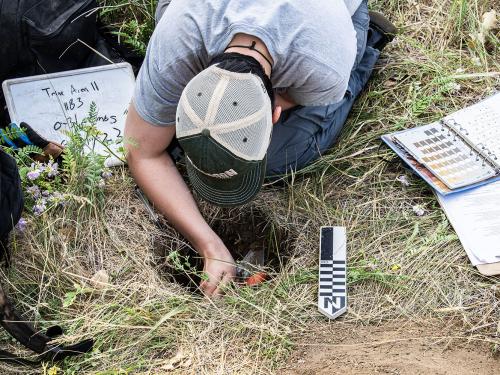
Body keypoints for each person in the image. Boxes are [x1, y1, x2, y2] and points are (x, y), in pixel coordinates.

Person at [124, 0, 396, 296]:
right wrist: (209, 245)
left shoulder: (323, 63)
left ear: (274, 114)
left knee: (281, 156)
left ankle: (366, 44)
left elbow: (293, 97)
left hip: (336, 16)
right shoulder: (176, 39)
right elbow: (141, 151)